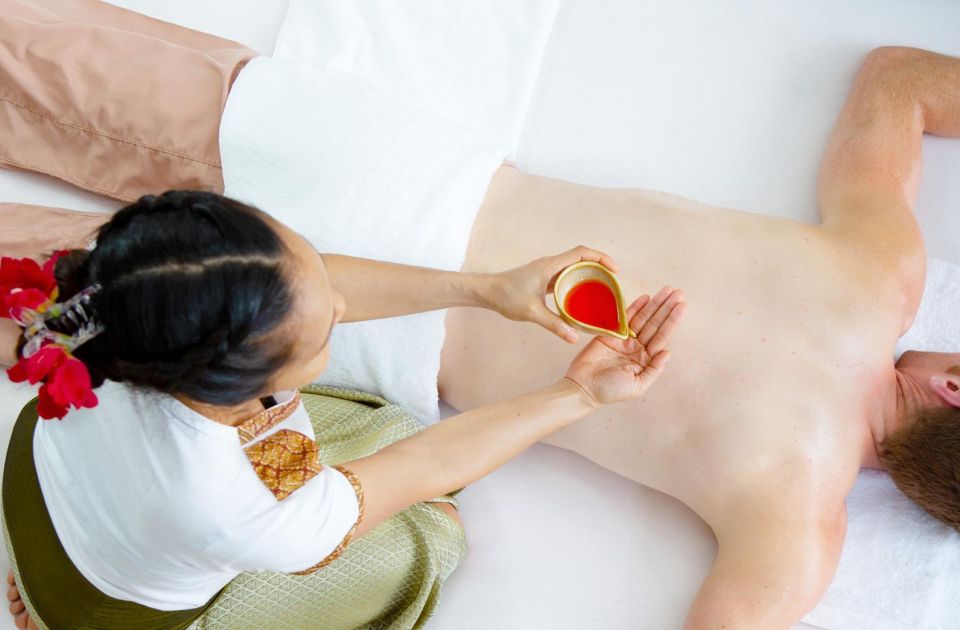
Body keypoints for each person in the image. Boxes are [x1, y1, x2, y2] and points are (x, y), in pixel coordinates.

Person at [1, 0, 958, 627]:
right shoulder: (795, 534)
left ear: (954, 388)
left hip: (378, 179)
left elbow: (901, 79)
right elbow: (408, 474)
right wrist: (567, 386)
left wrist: (501, 290)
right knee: (50, 307)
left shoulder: (882, 273)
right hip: (337, 334)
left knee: (30, 65)